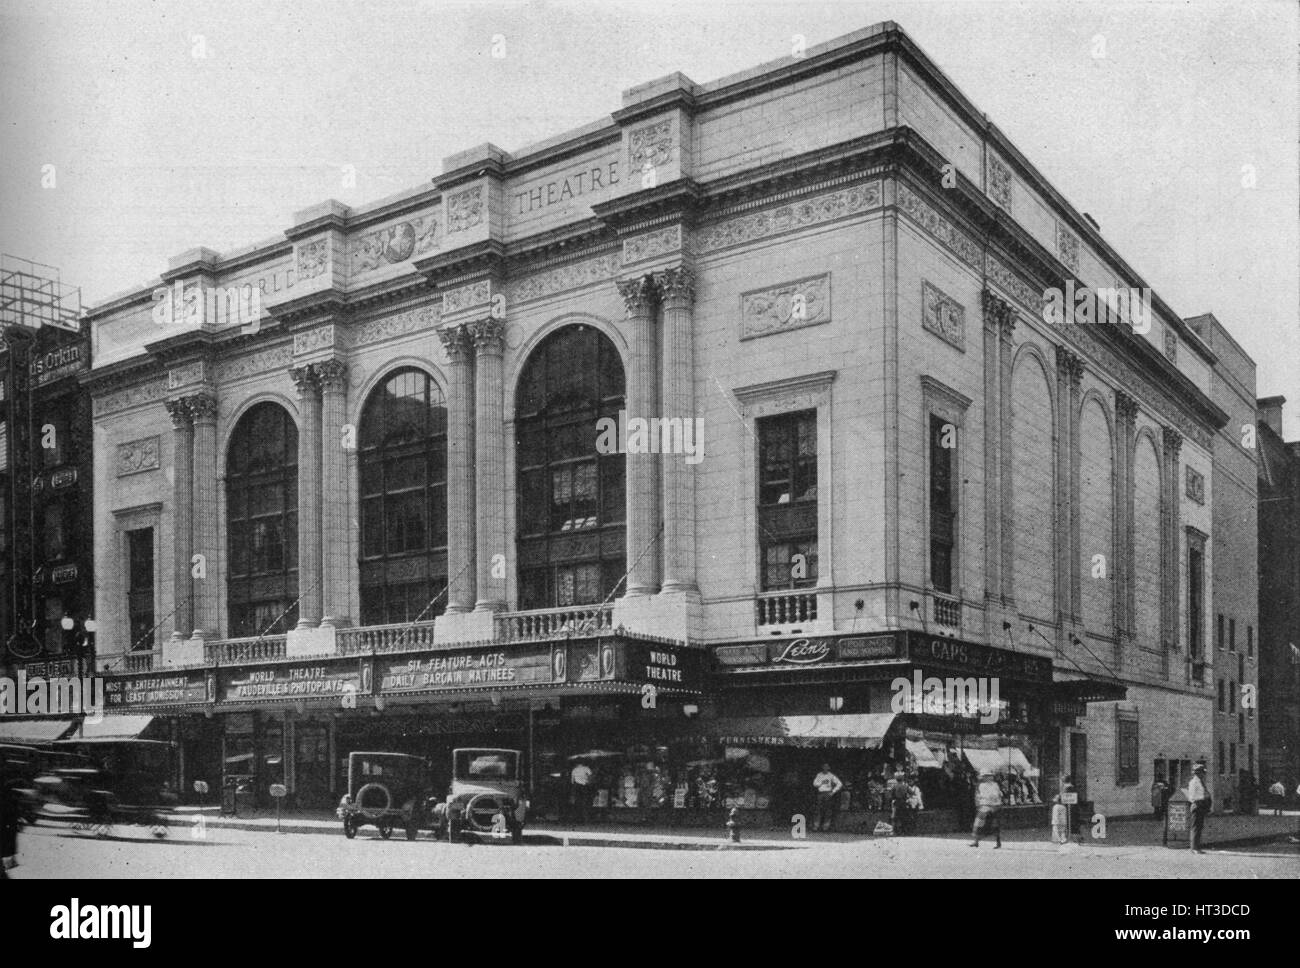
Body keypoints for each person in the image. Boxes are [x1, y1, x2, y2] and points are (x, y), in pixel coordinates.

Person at [970, 770, 1002, 848]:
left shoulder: (992, 785)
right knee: (979, 824)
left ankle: (997, 842)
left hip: (988, 806)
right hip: (989, 805)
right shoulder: (984, 785)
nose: (989, 778)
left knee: (992, 824)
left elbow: (995, 794)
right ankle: (976, 841)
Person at [1187, 761, 1211, 854]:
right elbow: (1192, 796)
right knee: (1195, 827)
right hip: (1197, 804)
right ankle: (1194, 848)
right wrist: (1203, 798)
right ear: (1198, 773)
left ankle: (1197, 846)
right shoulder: (1194, 782)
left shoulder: (1200, 782)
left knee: (1199, 826)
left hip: (1201, 805)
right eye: (1202, 773)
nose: (1204, 775)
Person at [812, 763, 843, 832]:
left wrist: (833, 792)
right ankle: (816, 826)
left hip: (827, 793)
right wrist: (820, 783)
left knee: (828, 810)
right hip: (820, 793)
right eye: (824, 766)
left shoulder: (831, 776)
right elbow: (814, 784)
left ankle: (826, 827)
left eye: (827, 767)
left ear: (829, 768)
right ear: (822, 767)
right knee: (818, 810)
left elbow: (839, 783)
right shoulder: (819, 775)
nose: (825, 768)